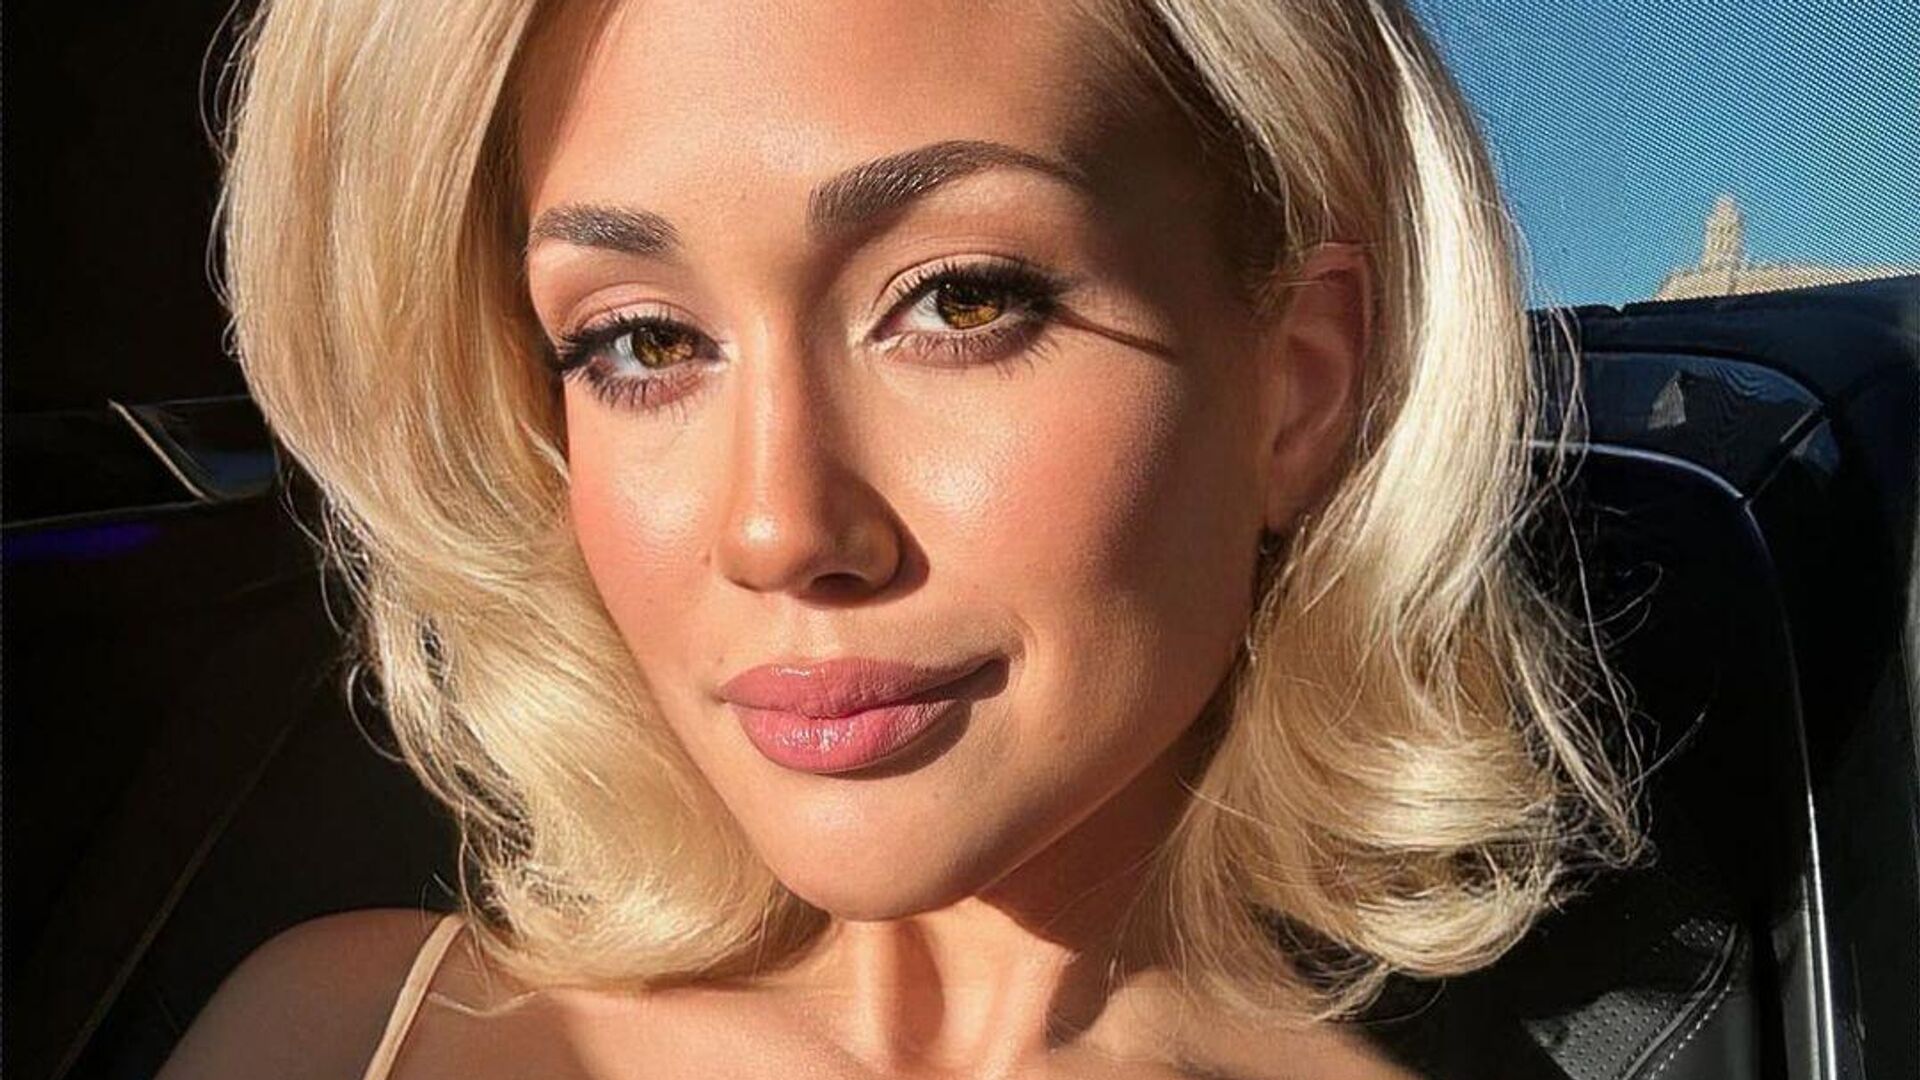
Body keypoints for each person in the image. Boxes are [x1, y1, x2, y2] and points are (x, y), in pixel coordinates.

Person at [160, 0, 1647, 1076]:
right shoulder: (348, 1034)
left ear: (1295, 388)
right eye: (643, 341)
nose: (777, 526)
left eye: (961, 299)